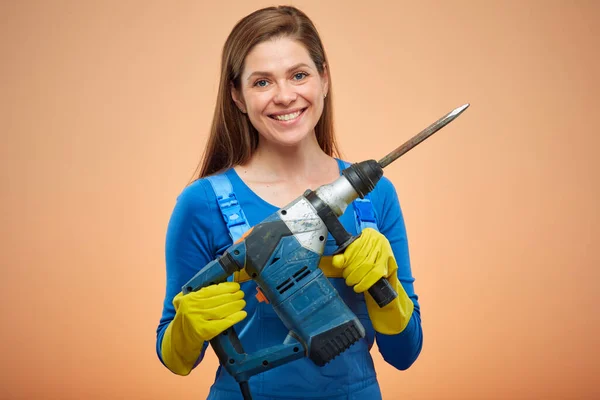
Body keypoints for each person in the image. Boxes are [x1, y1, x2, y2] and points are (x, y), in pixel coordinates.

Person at [156, 5, 423, 400]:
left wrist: (386, 288)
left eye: (299, 75)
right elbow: (175, 360)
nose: (285, 96)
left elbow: (404, 354)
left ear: (324, 79)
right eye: (262, 82)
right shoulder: (202, 202)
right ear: (238, 96)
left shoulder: (377, 197)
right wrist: (185, 328)